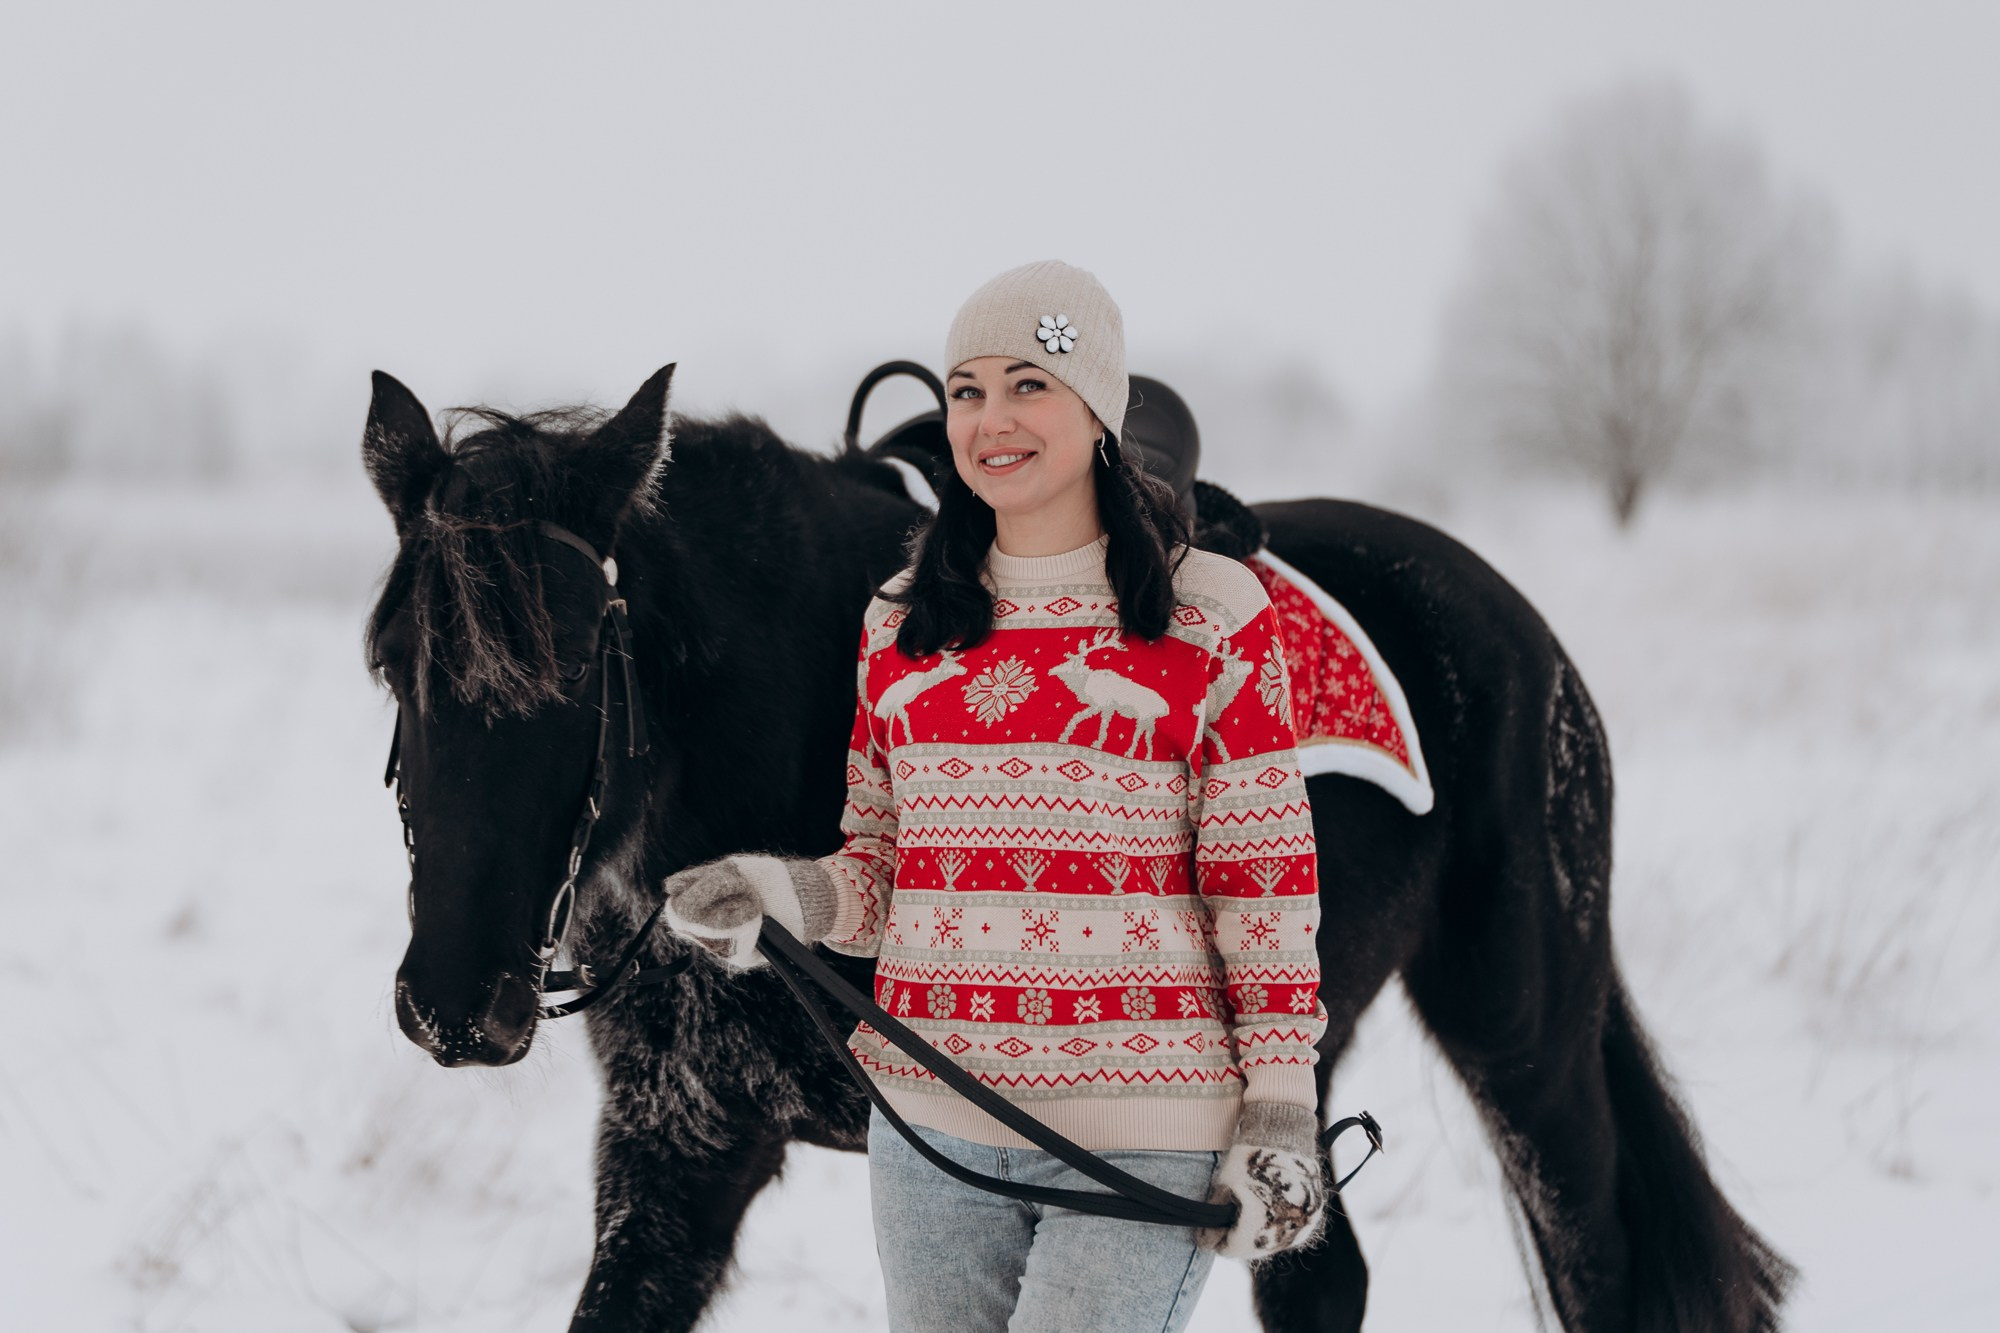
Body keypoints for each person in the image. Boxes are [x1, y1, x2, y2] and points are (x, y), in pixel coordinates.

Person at [661, 260, 1328, 1333]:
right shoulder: (902, 622)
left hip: (1141, 1124)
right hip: (933, 1127)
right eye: (964, 389)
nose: (990, 418)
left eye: (1029, 384)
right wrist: (771, 892)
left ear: (1097, 410)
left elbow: (1263, 888)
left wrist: (1280, 1106)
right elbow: (880, 874)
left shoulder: (1212, 611)